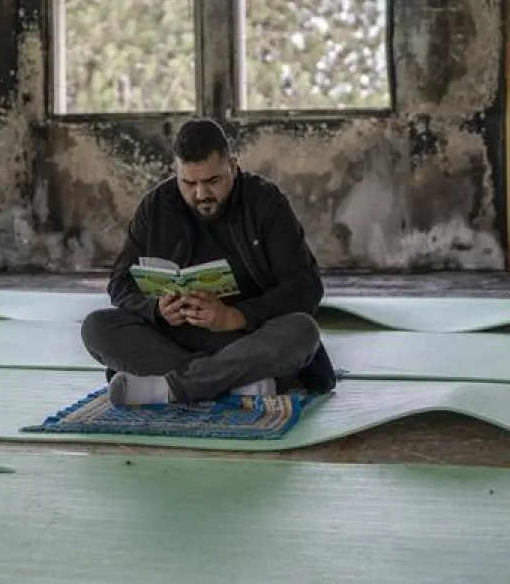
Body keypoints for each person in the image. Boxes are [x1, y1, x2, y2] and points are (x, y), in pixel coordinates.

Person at [80, 119, 337, 406]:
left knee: (302, 331)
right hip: (174, 338)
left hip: (245, 338)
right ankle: (236, 382)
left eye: (212, 181)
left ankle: (168, 389)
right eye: (189, 183)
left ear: (233, 166)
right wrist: (156, 309)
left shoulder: (265, 202)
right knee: (97, 326)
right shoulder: (155, 207)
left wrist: (233, 317)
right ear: (176, 173)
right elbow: (120, 284)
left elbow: (306, 286)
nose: (201, 194)